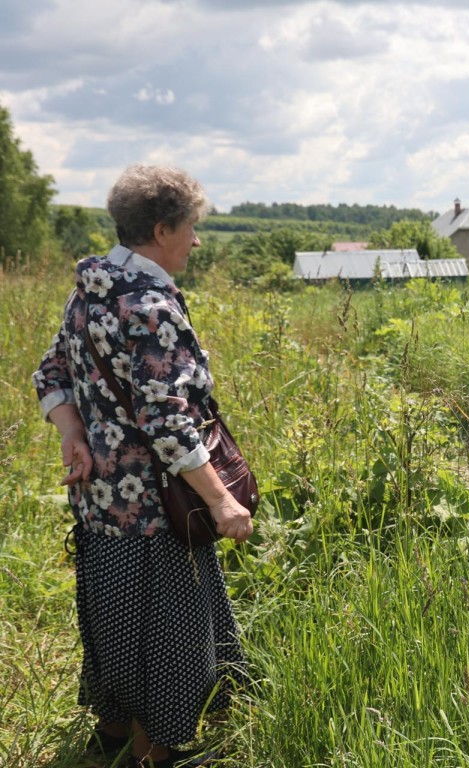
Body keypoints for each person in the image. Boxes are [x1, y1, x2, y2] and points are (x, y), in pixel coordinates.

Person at [32, 165, 254, 768]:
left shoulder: (90, 289)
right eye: (192, 228)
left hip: (100, 503)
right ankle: (154, 753)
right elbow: (166, 422)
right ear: (161, 230)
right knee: (170, 640)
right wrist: (221, 499)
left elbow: (50, 373)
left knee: (115, 620)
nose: (198, 240)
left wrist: (71, 433)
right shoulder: (151, 306)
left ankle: (112, 729)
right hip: (157, 508)